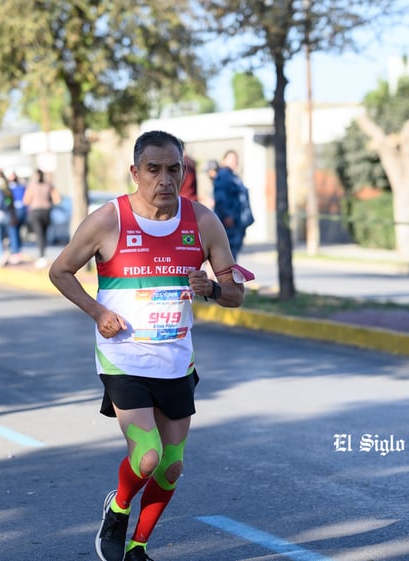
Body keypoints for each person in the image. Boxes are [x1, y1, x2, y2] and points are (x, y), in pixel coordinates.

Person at [49, 130, 252, 561]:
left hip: (176, 361)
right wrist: (98, 313)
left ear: (184, 171)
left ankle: (138, 545)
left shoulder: (202, 221)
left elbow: (236, 293)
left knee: (171, 466)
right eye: (153, 170)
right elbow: (61, 270)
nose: (164, 179)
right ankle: (119, 507)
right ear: (135, 173)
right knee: (146, 458)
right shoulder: (110, 219)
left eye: (173, 169)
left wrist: (212, 289)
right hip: (124, 356)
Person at [212, 150, 254, 261]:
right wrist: (226, 216)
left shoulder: (233, 176)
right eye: (231, 159)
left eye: (235, 160)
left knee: (232, 257)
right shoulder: (223, 176)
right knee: (228, 258)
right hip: (229, 224)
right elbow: (220, 198)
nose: (234, 162)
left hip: (237, 222)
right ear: (224, 160)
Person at [23, 169, 61, 269]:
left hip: (35, 211)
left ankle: (41, 256)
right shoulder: (49, 185)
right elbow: (57, 199)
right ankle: (43, 255)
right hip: (46, 210)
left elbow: (26, 200)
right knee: (43, 233)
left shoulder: (32, 186)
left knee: (39, 234)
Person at [8, 172, 27, 265]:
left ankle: (15, 252)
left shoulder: (10, 188)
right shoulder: (22, 187)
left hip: (15, 211)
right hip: (22, 211)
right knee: (17, 231)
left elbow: (8, 200)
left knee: (13, 231)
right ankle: (17, 251)